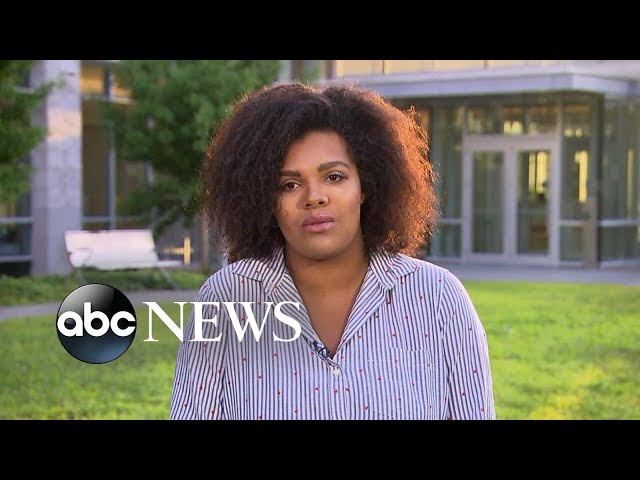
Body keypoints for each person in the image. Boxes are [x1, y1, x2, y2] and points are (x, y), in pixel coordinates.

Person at [169, 81, 496, 420]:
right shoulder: (225, 300)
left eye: (334, 177)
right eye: (289, 184)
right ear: (266, 199)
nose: (314, 197)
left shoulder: (439, 298)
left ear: (365, 185)